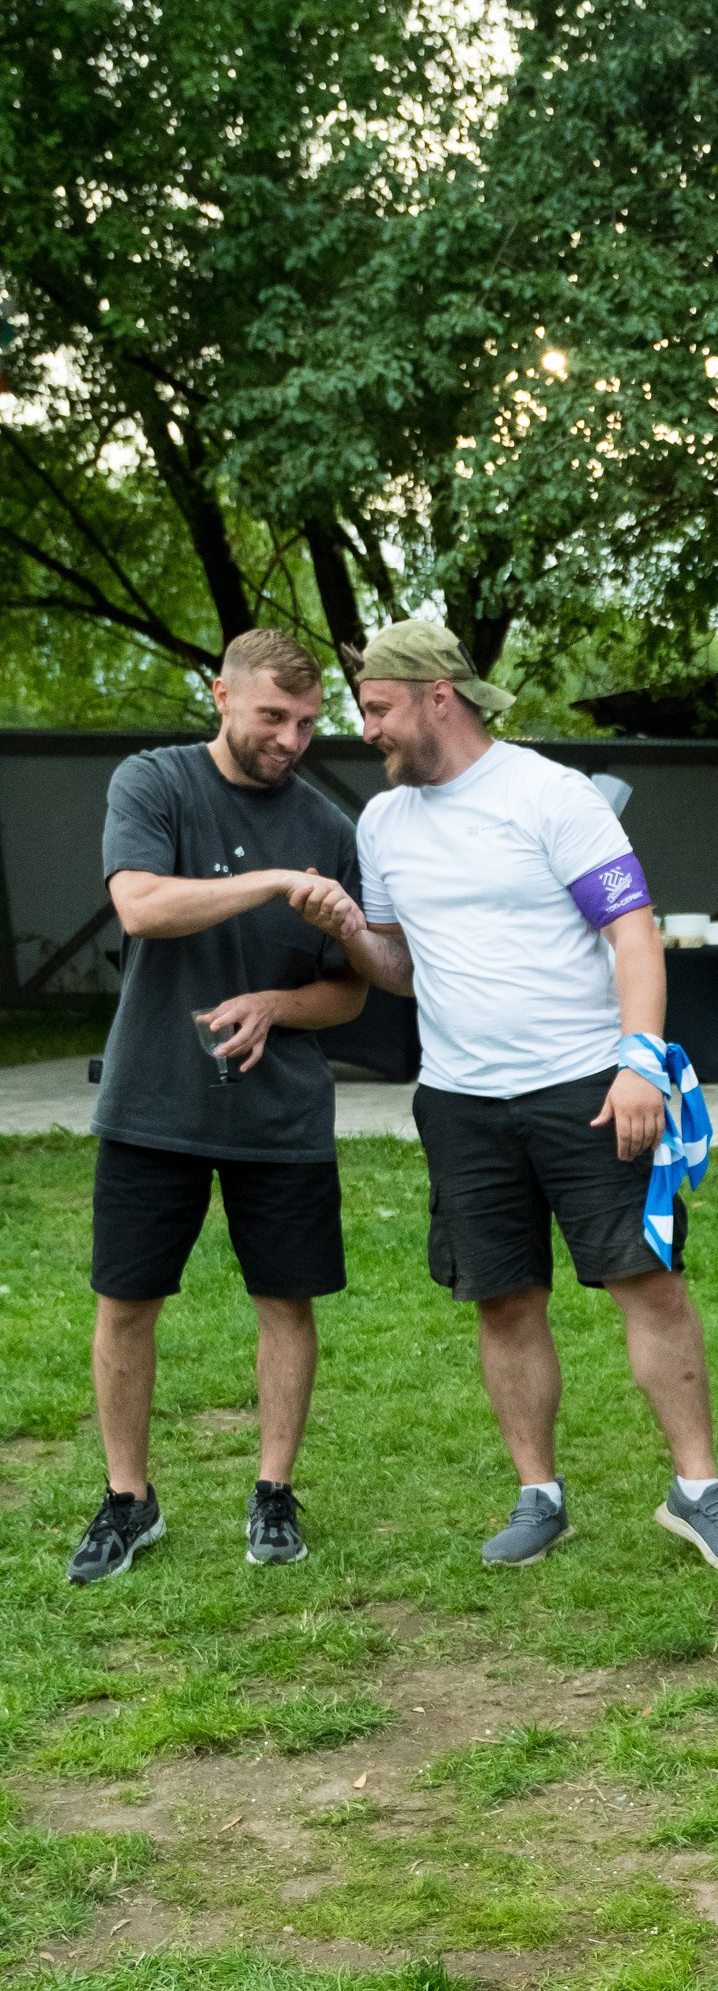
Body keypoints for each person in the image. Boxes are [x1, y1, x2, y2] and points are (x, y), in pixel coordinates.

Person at [289, 620, 718, 1574]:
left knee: (649, 1283)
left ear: (439, 697)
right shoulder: (381, 824)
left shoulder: (552, 796)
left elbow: (633, 932)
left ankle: (698, 1491)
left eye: (378, 708)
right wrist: (347, 928)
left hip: (587, 1084)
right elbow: (399, 970)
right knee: (502, 1300)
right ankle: (537, 1494)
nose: (367, 729)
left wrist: (639, 1061)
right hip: (460, 1100)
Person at [68, 629, 368, 1583]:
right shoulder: (152, 783)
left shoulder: (328, 827)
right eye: (273, 716)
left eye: (309, 723)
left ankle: (273, 1493)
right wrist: (275, 882)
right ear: (221, 696)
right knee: (127, 1304)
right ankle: (129, 1499)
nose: (291, 739)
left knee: (286, 1303)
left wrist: (280, 1004)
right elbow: (143, 907)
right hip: (154, 1098)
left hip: (278, 1115)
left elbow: (349, 990)